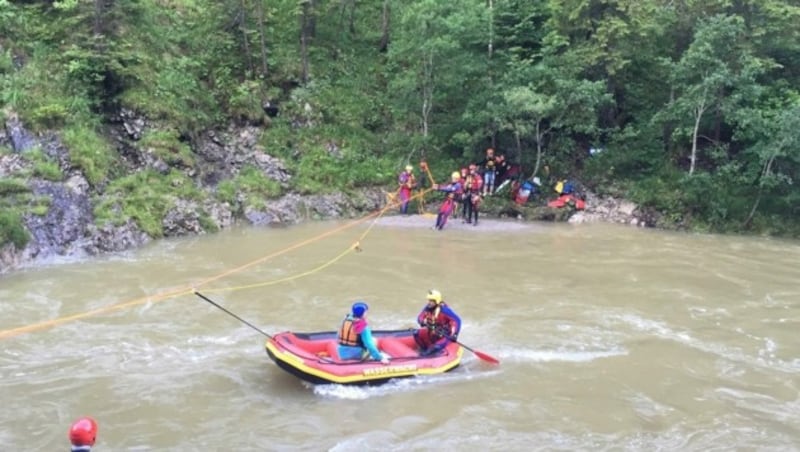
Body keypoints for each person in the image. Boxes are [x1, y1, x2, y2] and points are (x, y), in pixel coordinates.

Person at [413, 289, 462, 356]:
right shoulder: (428, 308)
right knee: (416, 333)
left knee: (435, 347)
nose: (429, 302)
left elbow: (457, 320)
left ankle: (427, 354)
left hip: (445, 335)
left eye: (431, 301)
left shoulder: (444, 310)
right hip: (433, 332)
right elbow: (420, 317)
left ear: (437, 301)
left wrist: (455, 335)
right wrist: (422, 321)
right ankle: (424, 350)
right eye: (429, 300)